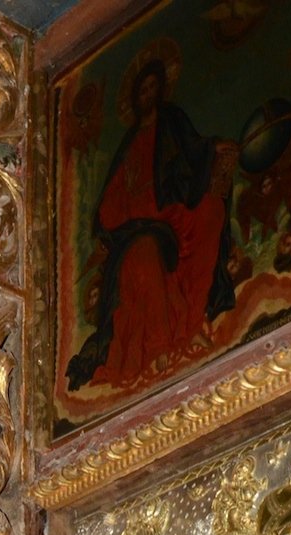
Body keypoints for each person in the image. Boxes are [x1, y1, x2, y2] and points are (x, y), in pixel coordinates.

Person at [66, 55, 235, 393]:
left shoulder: (172, 120)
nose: (147, 94)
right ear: (135, 97)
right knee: (143, 254)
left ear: (160, 90)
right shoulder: (129, 144)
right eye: (142, 90)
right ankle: (160, 347)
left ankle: (193, 324)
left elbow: (194, 149)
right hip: (142, 228)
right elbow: (110, 206)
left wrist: (212, 147)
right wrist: (126, 216)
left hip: (173, 211)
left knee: (211, 211)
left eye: (152, 88)